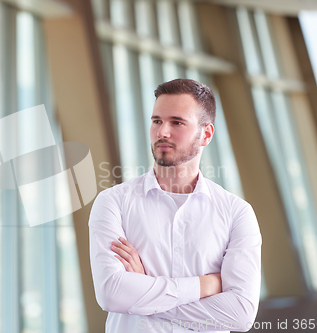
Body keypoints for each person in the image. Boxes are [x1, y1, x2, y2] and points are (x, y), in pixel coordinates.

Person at [88, 78, 262, 332]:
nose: (162, 132)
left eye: (177, 122)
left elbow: (240, 314)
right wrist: (205, 285)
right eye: (157, 121)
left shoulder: (237, 213)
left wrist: (144, 292)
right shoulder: (113, 202)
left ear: (206, 134)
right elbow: (112, 294)